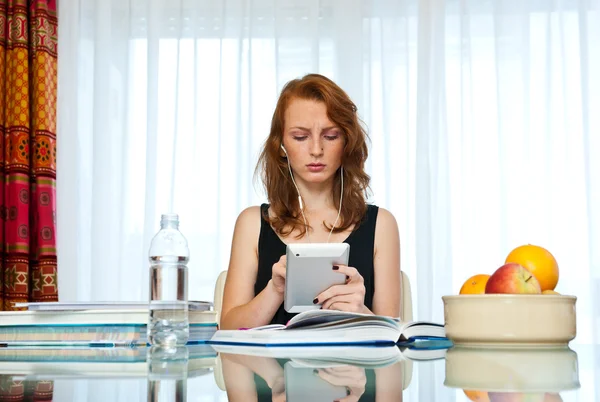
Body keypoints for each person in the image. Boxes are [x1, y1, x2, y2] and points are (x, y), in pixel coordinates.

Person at [220, 73, 401, 329]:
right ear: (280, 144)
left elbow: (393, 338)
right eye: (300, 137)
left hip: (352, 369)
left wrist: (360, 312)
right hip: (269, 369)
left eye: (330, 136)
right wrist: (275, 290)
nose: (316, 150)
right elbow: (228, 328)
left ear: (347, 142)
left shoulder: (381, 225)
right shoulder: (251, 223)